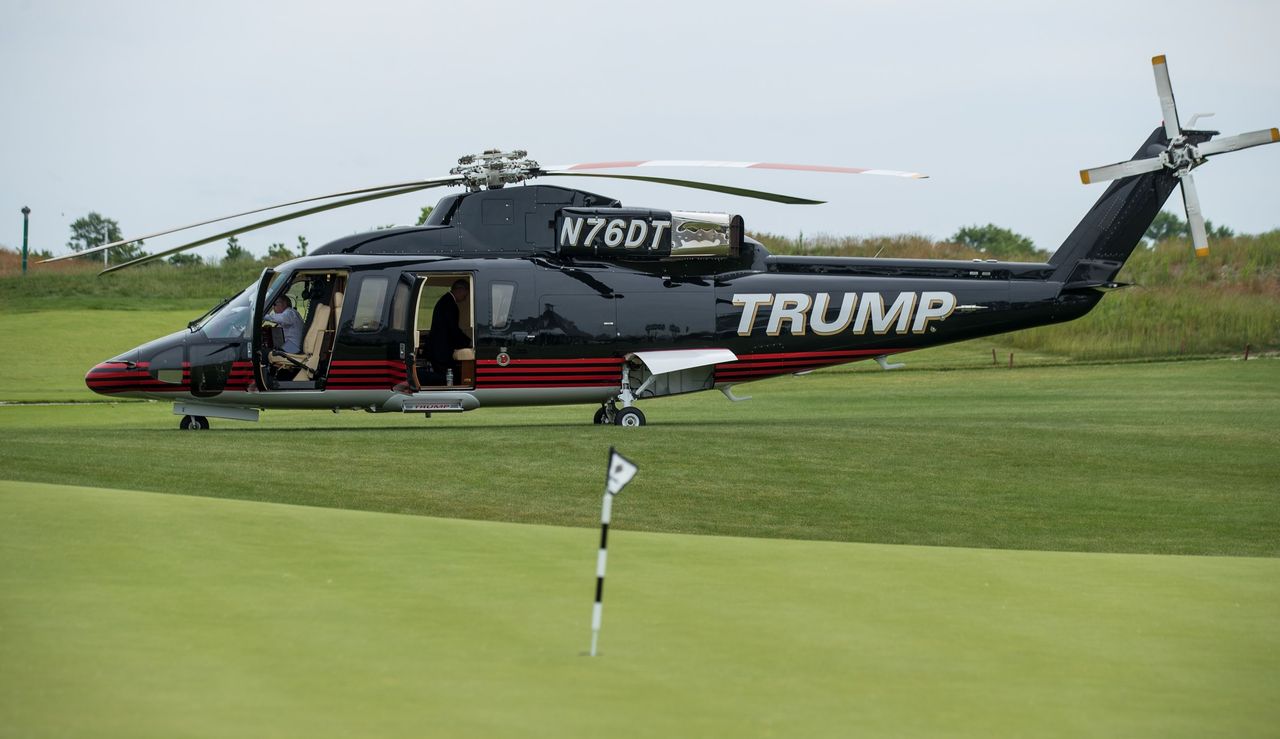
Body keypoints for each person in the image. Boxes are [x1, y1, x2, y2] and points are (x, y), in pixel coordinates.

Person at [427, 279, 471, 382]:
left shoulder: (445, 301)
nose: (465, 298)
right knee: (448, 379)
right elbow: (453, 329)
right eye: (465, 295)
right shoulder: (450, 305)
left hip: (438, 349)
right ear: (460, 290)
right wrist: (467, 342)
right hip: (441, 351)